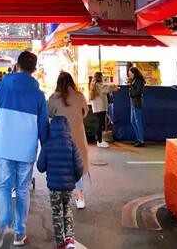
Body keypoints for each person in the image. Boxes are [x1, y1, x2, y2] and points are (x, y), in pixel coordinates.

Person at [0, 51, 49, 248]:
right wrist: (45, 144)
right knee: (22, 190)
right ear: (34, 69)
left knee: (4, 187)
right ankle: (19, 234)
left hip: (4, 146)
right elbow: (43, 126)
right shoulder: (39, 95)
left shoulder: (1, 87)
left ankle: (6, 226)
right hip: (26, 149)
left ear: (17, 66)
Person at [37, 116, 83, 249]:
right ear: (68, 129)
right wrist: (73, 180)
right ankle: (69, 240)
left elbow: (40, 167)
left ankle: (60, 244)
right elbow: (79, 167)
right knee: (67, 210)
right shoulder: (72, 145)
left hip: (54, 187)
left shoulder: (48, 145)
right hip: (68, 186)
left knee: (57, 213)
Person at [47, 72, 89, 209]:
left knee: (61, 167)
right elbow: (85, 113)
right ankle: (80, 197)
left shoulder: (54, 97)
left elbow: (49, 113)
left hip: (60, 138)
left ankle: (61, 199)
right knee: (78, 166)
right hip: (78, 137)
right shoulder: (79, 96)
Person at [89, 72, 118, 148]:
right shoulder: (100, 85)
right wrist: (114, 85)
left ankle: (99, 139)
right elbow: (108, 88)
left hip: (96, 107)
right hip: (101, 107)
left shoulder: (94, 85)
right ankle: (99, 141)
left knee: (98, 124)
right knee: (100, 124)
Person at [128, 66, 146, 147]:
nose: (129, 74)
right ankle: (138, 138)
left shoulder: (139, 81)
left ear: (133, 73)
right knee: (133, 121)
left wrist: (131, 87)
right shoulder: (134, 81)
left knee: (138, 121)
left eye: (130, 72)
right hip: (133, 103)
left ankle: (141, 140)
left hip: (137, 103)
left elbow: (138, 92)